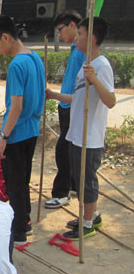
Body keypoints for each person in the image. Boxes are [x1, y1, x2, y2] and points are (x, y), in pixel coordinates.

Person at [46, 17, 115, 240]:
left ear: (92, 38)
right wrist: (54, 95)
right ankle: (91, 215)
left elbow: (111, 100)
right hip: (76, 134)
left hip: (90, 136)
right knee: (79, 176)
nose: (78, 37)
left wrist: (95, 79)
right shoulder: (87, 65)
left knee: (87, 180)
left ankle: (87, 224)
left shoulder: (101, 66)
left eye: (82, 33)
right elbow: (78, 97)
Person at [0, 15, 45, 245]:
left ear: (6, 37)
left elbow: (16, 106)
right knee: (23, 178)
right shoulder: (34, 57)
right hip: (32, 130)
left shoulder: (17, 64)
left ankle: (19, 231)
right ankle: (25, 219)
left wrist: (3, 137)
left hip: (18, 132)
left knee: (14, 183)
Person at [45, 11, 85, 209]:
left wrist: (55, 95)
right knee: (69, 148)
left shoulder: (82, 50)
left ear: (72, 25)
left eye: (61, 30)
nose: (60, 35)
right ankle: (74, 185)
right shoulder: (74, 49)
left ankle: (61, 193)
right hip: (65, 105)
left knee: (64, 149)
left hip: (73, 106)